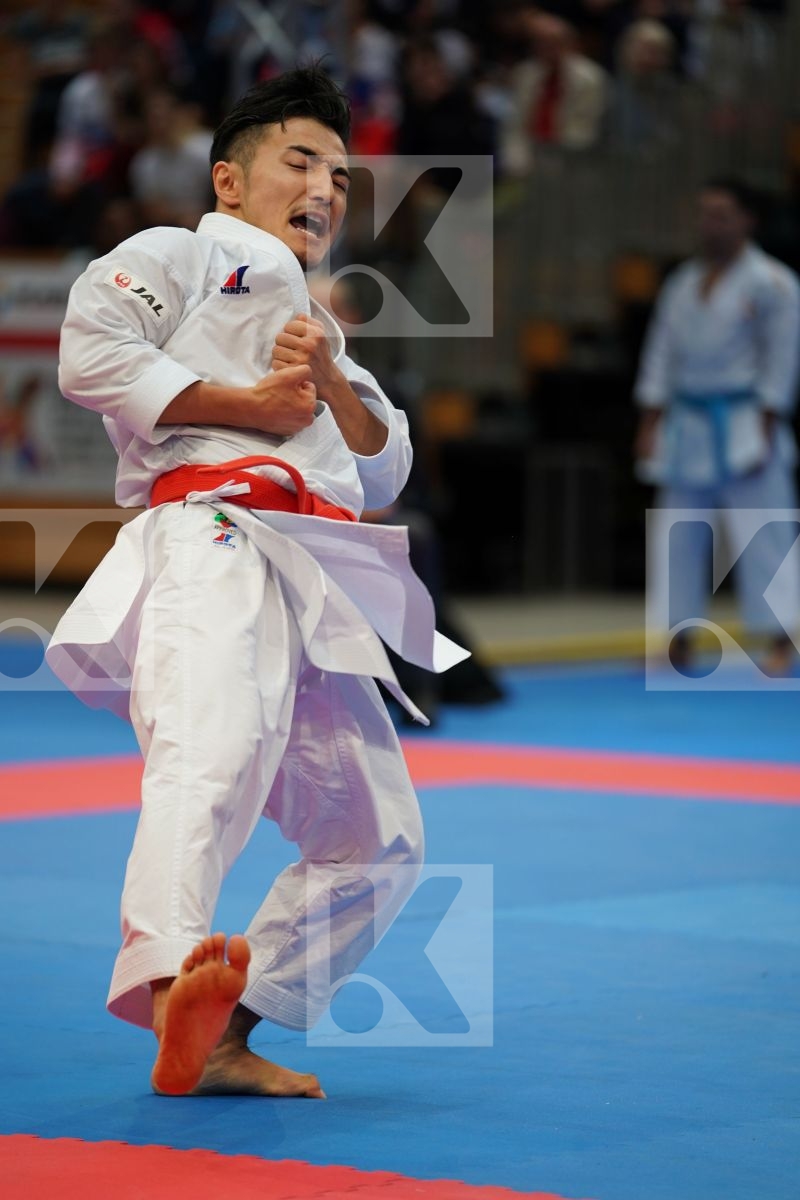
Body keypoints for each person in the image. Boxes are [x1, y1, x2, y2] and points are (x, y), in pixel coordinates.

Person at [46, 65, 465, 1099]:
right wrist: (252, 408)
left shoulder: (316, 322)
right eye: (300, 161)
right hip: (213, 533)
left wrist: (322, 379)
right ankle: (165, 970)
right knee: (214, 742)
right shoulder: (178, 255)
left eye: (338, 171)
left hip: (313, 571)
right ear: (230, 181)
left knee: (376, 837)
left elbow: (384, 463)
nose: (324, 185)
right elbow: (90, 352)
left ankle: (222, 1030)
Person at [634, 179, 800, 673]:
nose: (711, 224)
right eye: (705, 214)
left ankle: (778, 636)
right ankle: (675, 637)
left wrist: (770, 417)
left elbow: (782, 358)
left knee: (763, 531)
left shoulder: (774, 283)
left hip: (748, 418)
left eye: (722, 215)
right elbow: (660, 355)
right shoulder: (681, 282)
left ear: (748, 220)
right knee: (677, 533)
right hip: (686, 420)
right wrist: (650, 417)